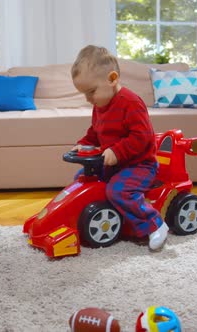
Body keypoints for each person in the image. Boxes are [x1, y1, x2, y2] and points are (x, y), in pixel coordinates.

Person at [70, 45, 168, 250]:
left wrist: (117, 151)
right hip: (115, 165)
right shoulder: (100, 106)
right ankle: (86, 218)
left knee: (119, 191)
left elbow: (142, 137)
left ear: (112, 79)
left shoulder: (131, 103)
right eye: (84, 94)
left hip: (140, 165)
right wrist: (84, 145)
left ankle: (154, 224)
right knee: (81, 179)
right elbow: (95, 132)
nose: (88, 99)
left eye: (91, 92)